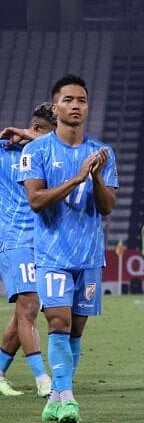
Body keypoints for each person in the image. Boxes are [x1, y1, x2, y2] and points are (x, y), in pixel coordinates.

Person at [20, 74, 119, 423]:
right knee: (58, 321)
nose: (75, 106)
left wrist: (95, 177)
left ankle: (57, 398)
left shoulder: (103, 152)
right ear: (56, 106)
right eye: (68, 100)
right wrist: (76, 178)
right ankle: (69, 399)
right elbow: (36, 200)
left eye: (81, 100)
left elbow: (108, 208)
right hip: (52, 256)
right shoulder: (36, 151)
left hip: (89, 256)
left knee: (75, 330)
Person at [0, 103, 56, 397]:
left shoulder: (47, 154)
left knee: (23, 312)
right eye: (52, 132)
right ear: (37, 129)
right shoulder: (4, 151)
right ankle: (42, 380)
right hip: (14, 238)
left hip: (43, 241)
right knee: (31, 306)